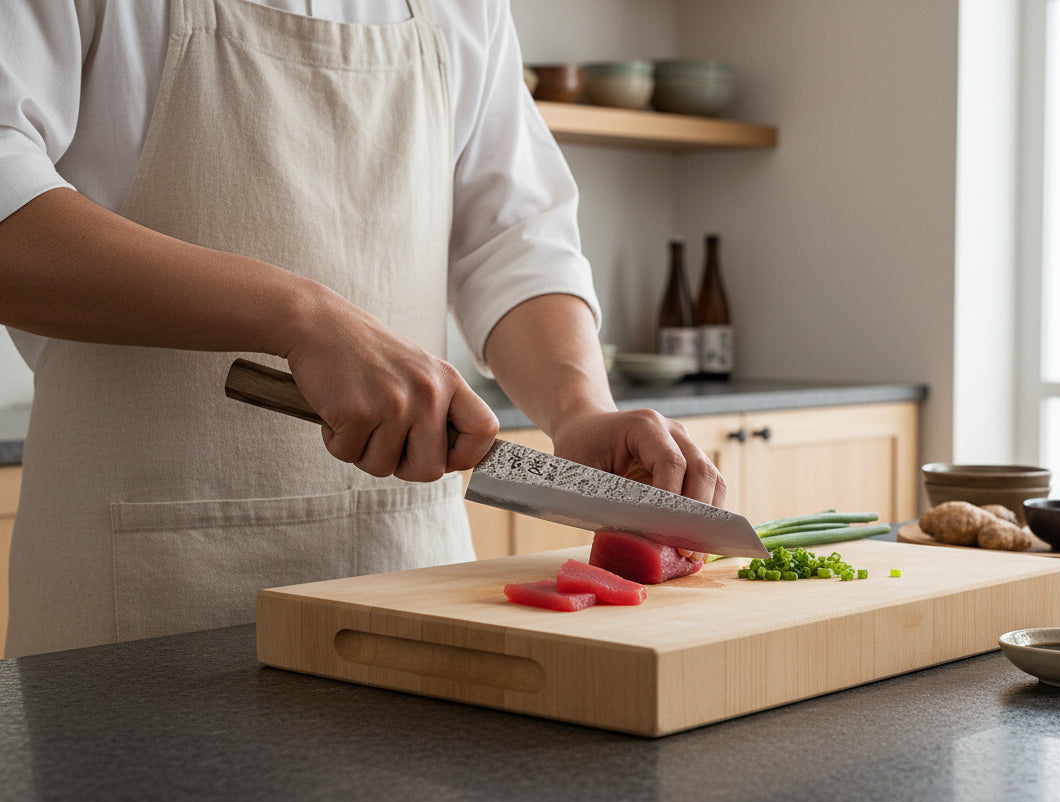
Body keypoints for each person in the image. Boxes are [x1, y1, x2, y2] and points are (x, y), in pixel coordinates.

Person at [0, 0, 726, 657]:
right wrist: (301, 316)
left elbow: (512, 239)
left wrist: (579, 410)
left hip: (413, 580)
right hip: (139, 624)